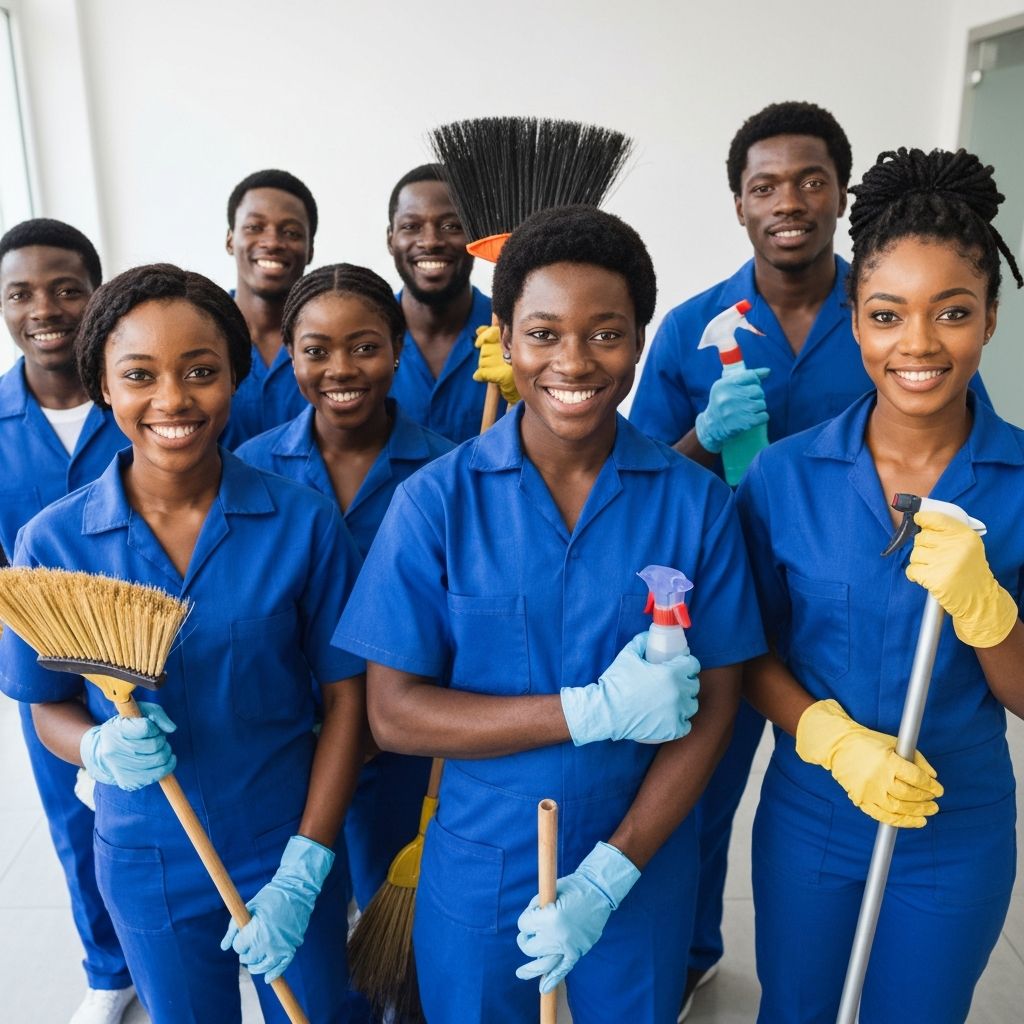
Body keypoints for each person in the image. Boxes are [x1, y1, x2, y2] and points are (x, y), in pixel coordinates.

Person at [334, 205, 766, 1024]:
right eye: (543, 333)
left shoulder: (697, 506)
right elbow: (393, 715)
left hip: (638, 859)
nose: (574, 361)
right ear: (502, 335)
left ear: (640, 340)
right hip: (479, 859)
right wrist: (586, 711)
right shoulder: (435, 504)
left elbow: (714, 706)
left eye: (605, 333)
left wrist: (612, 873)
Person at [628, 102, 989, 1019]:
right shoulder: (696, 330)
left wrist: (985, 605)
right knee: (701, 796)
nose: (914, 342)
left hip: (891, 686)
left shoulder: (898, 301)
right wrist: (703, 438)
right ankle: (694, 955)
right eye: (765, 185)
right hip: (738, 615)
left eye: (810, 180)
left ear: (840, 194)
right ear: (738, 203)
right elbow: (641, 483)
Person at [0, 264, 367, 1024]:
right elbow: (47, 710)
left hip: (286, 836)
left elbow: (347, 701)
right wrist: (97, 749)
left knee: (319, 1014)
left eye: (200, 372)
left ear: (234, 377)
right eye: (140, 375)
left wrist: (308, 861)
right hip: (146, 852)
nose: (172, 400)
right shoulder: (53, 544)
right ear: (103, 386)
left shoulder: (302, 523)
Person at [737, 147, 1024, 1023]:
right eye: (888, 314)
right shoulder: (785, 477)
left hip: (957, 820)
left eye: (953, 313)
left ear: (990, 320)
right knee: (796, 1011)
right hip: (814, 814)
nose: (919, 344)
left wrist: (989, 612)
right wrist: (826, 735)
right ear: (855, 322)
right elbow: (746, 652)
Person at [236, 263, 452, 912]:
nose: (341, 369)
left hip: (411, 736)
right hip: (293, 736)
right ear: (291, 355)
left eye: (364, 347)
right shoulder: (250, 470)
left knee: (402, 912)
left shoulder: (449, 471)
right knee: (309, 920)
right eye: (316, 350)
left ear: (398, 349)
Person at [0, 218, 134, 1024]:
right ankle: (108, 967)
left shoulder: (140, 393)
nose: (44, 307)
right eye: (20, 293)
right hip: (49, 665)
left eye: (65, 287)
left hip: (159, 649)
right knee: (73, 818)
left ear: (96, 292)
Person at [386, 163, 496, 443]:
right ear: (391, 239)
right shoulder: (363, 339)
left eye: (451, 226)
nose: (431, 241)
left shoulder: (515, 332)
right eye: (412, 226)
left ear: (476, 235)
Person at [221, 168, 317, 447]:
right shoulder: (198, 334)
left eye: (291, 232)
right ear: (230, 239)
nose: (273, 242)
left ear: (310, 249)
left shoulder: (330, 343)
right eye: (255, 227)